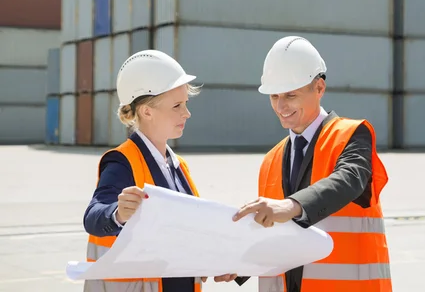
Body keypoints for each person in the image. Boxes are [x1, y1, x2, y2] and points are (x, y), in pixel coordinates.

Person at [232, 36, 392, 291]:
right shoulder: (271, 159)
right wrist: (238, 264)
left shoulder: (352, 135)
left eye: (290, 95)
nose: (280, 106)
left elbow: (349, 179)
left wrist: (291, 205)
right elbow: (272, 229)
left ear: (319, 88)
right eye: (274, 96)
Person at [83, 49, 237, 292]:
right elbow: (93, 216)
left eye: (185, 104)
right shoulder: (122, 162)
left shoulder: (178, 166)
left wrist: (214, 260)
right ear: (147, 111)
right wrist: (118, 213)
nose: (187, 113)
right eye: (177, 105)